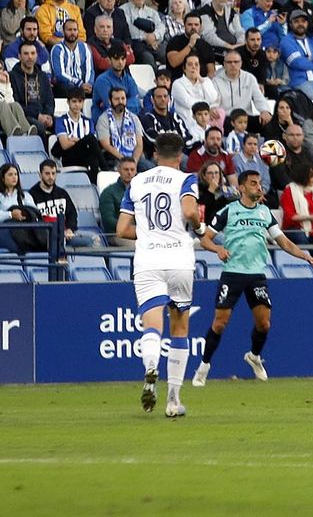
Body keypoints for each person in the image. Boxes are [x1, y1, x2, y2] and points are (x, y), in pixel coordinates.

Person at [192, 169, 313, 386]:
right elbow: (205, 239)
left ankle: (254, 357)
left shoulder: (265, 213)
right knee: (220, 323)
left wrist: (303, 255)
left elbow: (283, 241)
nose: (258, 187)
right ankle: (203, 367)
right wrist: (218, 249)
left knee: (264, 324)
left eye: (259, 183)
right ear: (241, 187)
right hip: (232, 273)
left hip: (257, 274)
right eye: (253, 183)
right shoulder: (228, 211)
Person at [116, 132, 199, 417]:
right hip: (179, 258)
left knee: (151, 325)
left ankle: (151, 367)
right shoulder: (186, 179)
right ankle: (173, 401)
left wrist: (150, 235)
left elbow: (122, 230)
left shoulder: (136, 181)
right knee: (180, 328)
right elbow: (189, 211)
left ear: (154, 153)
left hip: (148, 260)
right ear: (180, 156)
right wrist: (197, 223)